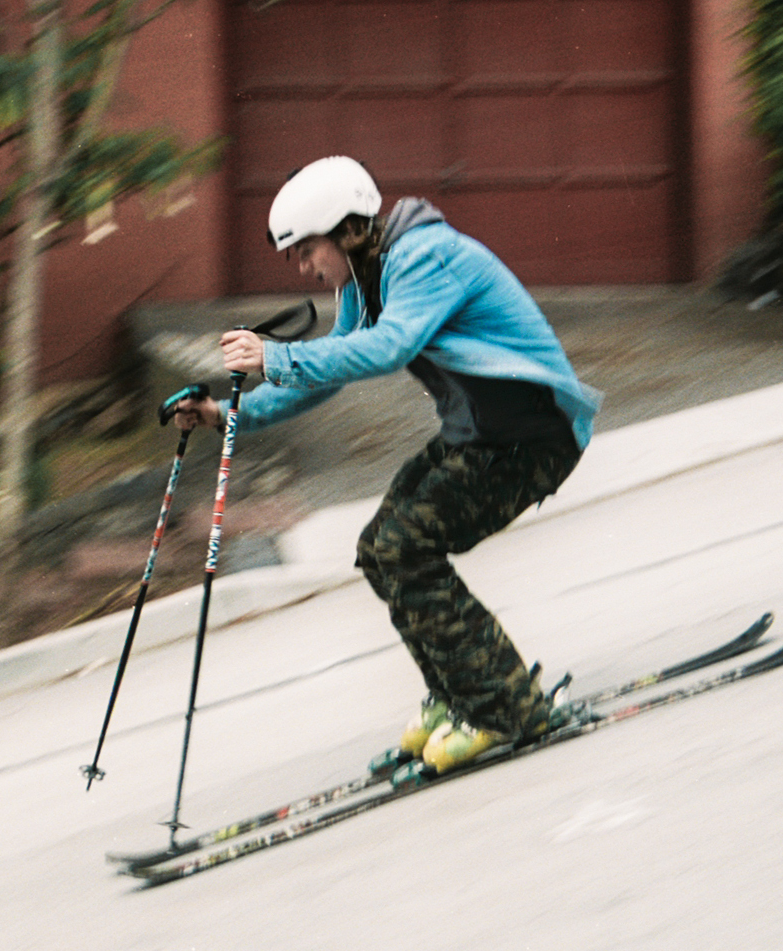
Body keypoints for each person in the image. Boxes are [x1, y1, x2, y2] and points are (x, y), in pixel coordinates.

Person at [173, 156, 601, 773]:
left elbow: (388, 346)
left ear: (348, 230)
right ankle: (458, 693)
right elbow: (330, 372)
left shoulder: (424, 256)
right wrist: (223, 415)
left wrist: (277, 357)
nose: (304, 268)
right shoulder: (364, 277)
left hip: (531, 436)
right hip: (479, 437)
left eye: (306, 250)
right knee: (379, 548)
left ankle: (504, 706)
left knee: (406, 548)